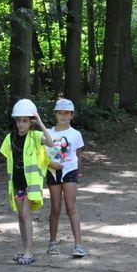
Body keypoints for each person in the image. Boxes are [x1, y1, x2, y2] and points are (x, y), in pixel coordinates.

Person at [0, 99, 54, 265]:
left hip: (32, 184)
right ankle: (25, 250)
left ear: (31, 122)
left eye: (25, 121)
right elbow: (8, 157)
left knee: (25, 214)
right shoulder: (10, 138)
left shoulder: (35, 136)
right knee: (21, 217)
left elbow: (51, 143)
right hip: (17, 183)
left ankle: (29, 252)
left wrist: (41, 123)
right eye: (19, 121)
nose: (21, 124)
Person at [46, 98, 87, 258]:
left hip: (70, 171)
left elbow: (78, 155)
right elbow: (41, 155)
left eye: (66, 113)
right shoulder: (48, 133)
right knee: (55, 207)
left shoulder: (76, 134)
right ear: (55, 114)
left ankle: (78, 245)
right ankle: (52, 242)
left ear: (72, 115)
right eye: (60, 112)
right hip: (52, 171)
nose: (63, 116)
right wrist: (50, 163)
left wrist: (79, 172)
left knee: (71, 207)